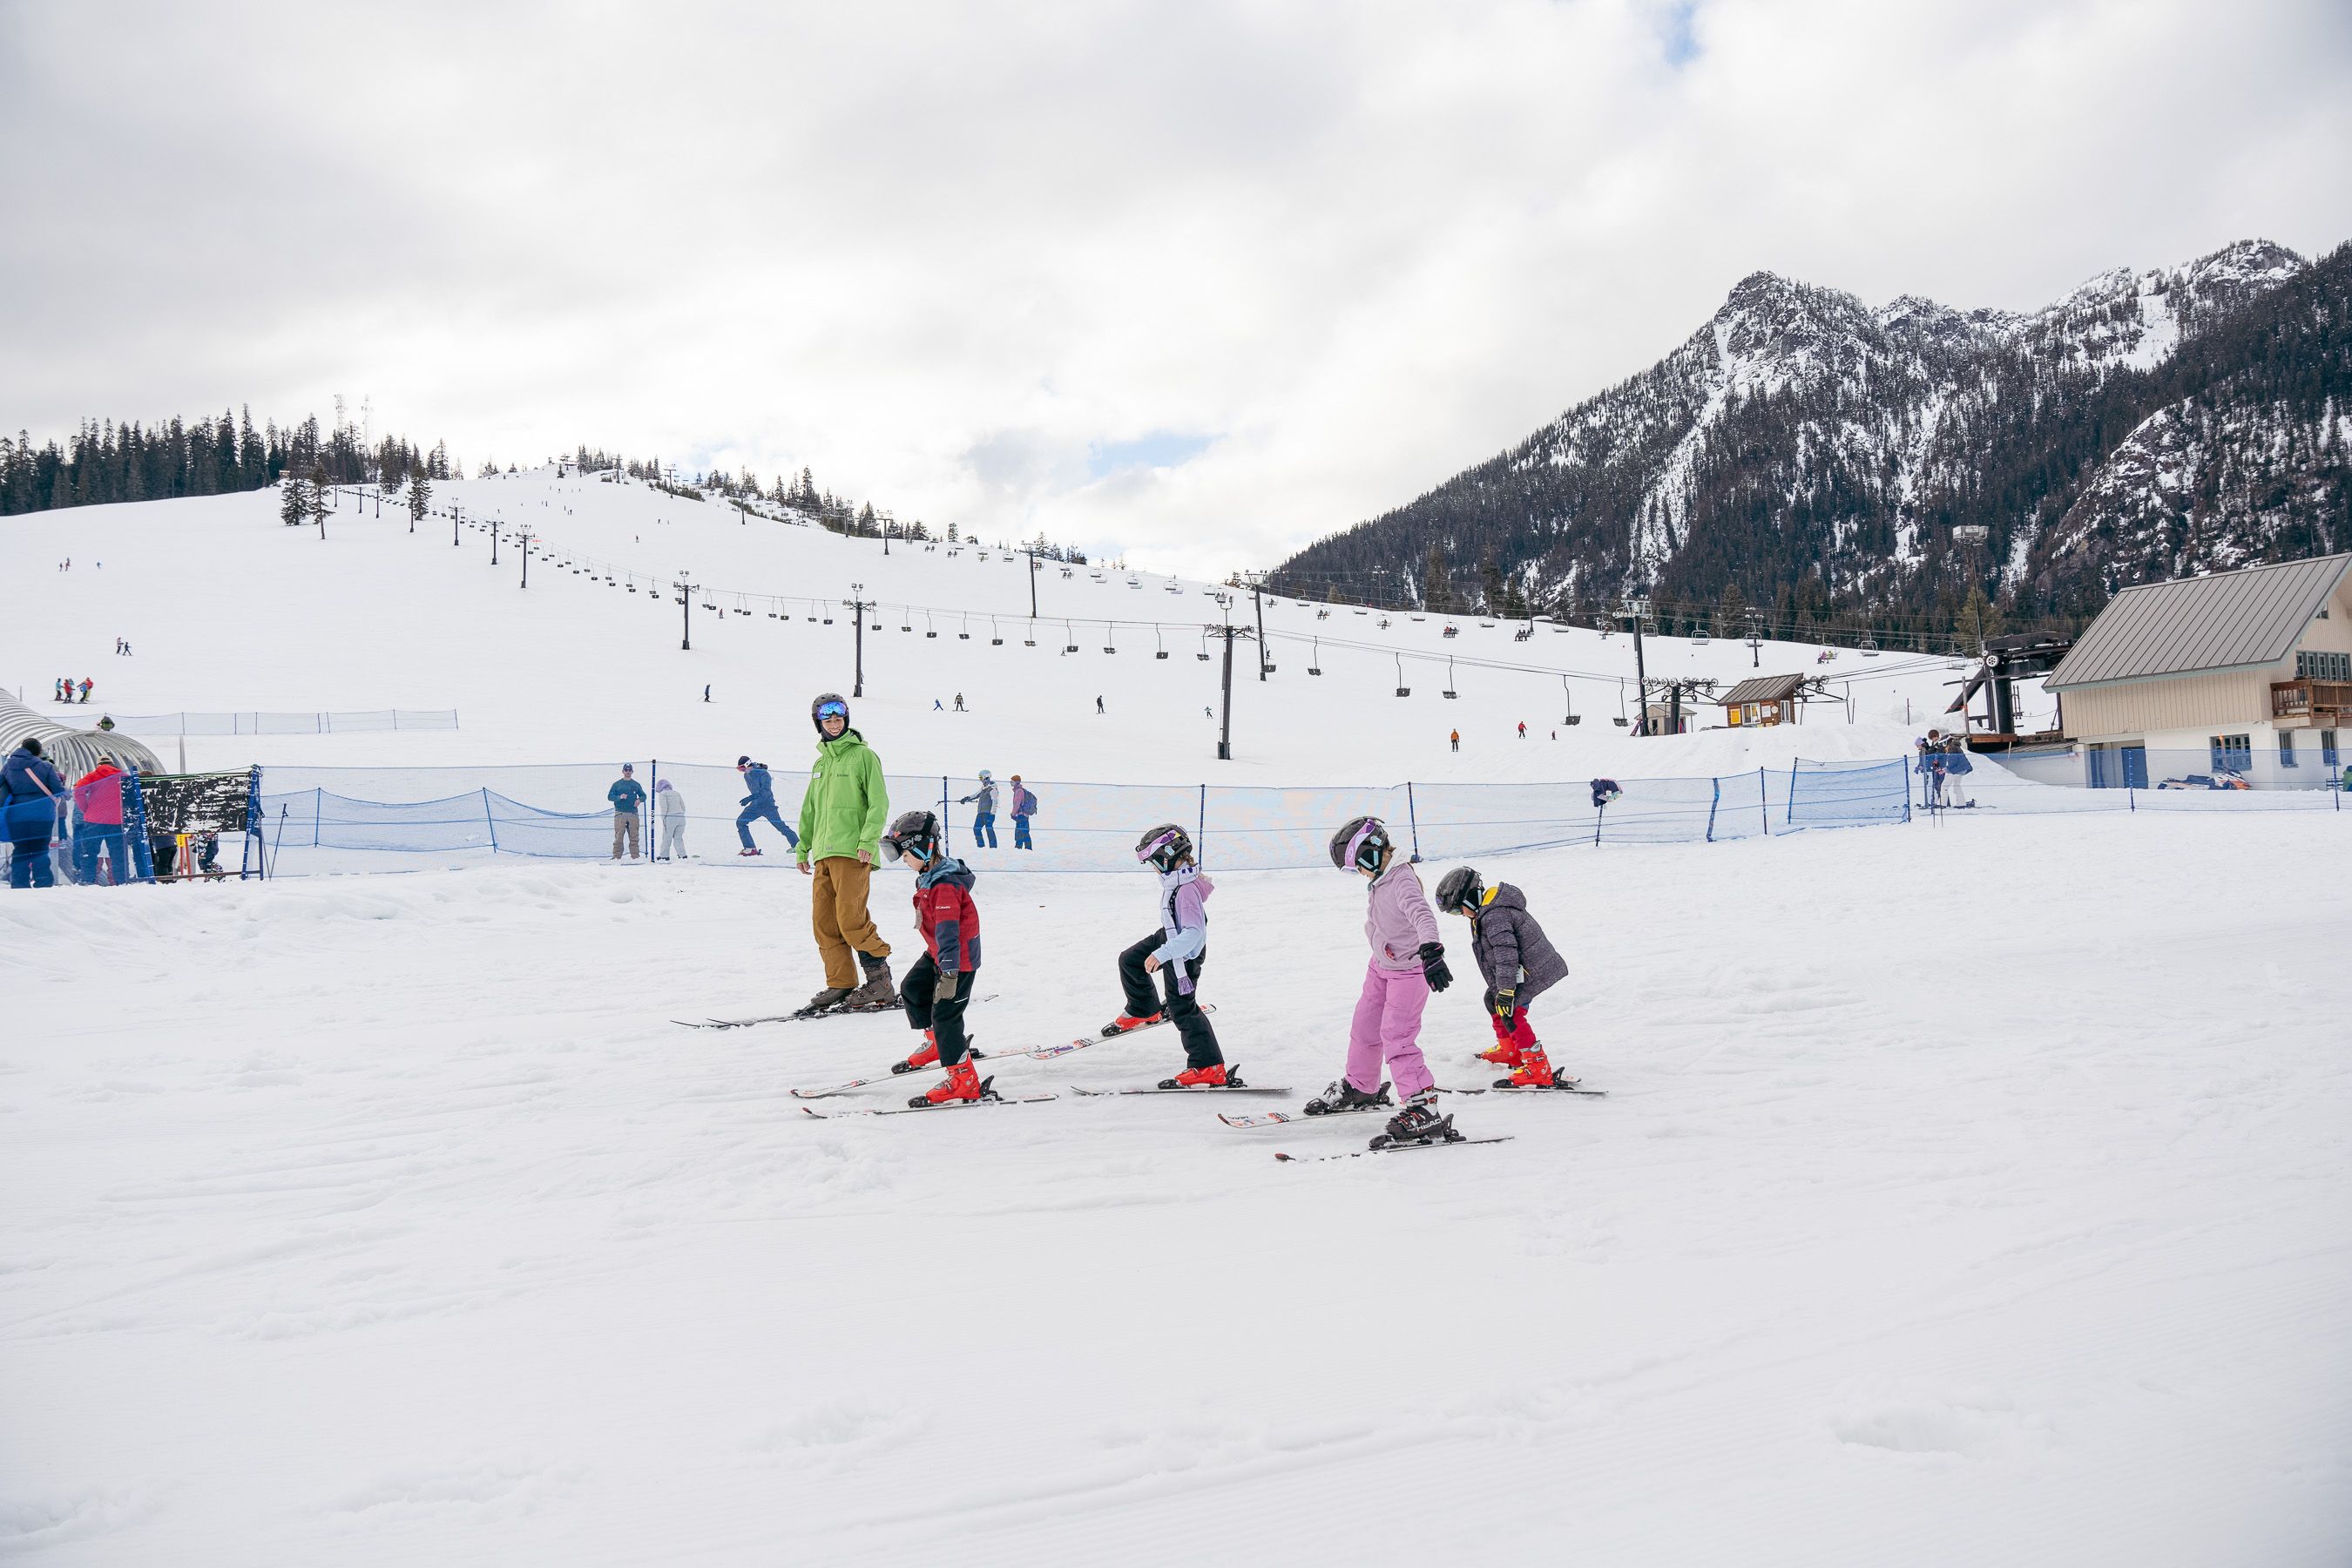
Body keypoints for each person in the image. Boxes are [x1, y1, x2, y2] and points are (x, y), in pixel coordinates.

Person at [1303, 816, 1457, 1146]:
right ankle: (1361, 1086)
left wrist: (1431, 950)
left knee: (1396, 1036)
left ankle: (1422, 1106)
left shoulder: (1401, 879)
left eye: (1358, 864)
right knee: (1364, 1027)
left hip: (1409, 972)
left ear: (1373, 852)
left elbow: (1422, 916)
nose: (1359, 872)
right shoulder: (1381, 878)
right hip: (1380, 967)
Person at [1105, 824, 1229, 1087]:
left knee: (1182, 1008)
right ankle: (1144, 1010)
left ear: (1168, 856)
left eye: (1154, 862)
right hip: (1171, 938)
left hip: (1184, 955)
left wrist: (1163, 954)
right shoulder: (1179, 880)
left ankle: (1209, 1066)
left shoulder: (1185, 890)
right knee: (1130, 960)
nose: (1153, 868)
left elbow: (1194, 933)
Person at [877, 809, 986, 1106]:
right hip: (939, 952)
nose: (903, 860)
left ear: (923, 847)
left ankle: (964, 1079)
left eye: (905, 854)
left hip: (956, 959)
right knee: (913, 988)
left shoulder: (944, 886)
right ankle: (937, 1044)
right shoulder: (929, 875)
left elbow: (950, 932)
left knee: (946, 1016)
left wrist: (949, 974)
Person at [796, 693, 896, 1011]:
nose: (835, 725)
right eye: (828, 721)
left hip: (853, 851)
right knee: (824, 922)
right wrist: (803, 846)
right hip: (824, 854)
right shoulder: (821, 763)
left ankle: (880, 981)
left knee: (850, 919)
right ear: (819, 724)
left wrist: (868, 841)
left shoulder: (864, 756)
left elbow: (878, 802)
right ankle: (840, 984)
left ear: (846, 720)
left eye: (839, 719)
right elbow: (810, 809)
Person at [1436, 866, 1570, 1087]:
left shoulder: (1494, 916)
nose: (1459, 915)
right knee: (1492, 1000)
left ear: (1469, 899)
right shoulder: (1488, 911)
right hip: (1520, 970)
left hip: (1530, 971)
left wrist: (1507, 991)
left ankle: (1538, 1067)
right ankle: (1511, 1051)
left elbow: (1507, 955)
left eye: (1457, 910)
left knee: (1511, 1012)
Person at [3, 736, 66, 889]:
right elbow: (58, 791)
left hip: (16, 814)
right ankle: (43, 882)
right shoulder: (45, 767)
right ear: (37, 751)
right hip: (42, 814)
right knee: (40, 848)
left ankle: (19, 883)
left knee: (20, 848)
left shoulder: (7, 767)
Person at [71, 754, 132, 885]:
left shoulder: (92, 775)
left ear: (98, 765)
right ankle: (122, 881)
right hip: (116, 820)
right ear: (112, 764)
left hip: (94, 819)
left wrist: (85, 807)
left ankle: (88, 880)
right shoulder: (123, 776)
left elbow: (78, 790)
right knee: (118, 853)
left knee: (89, 852)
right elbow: (132, 792)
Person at [734, 756, 798, 855]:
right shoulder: (746, 775)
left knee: (780, 826)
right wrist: (752, 799)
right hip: (755, 806)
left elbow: (765, 791)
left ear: (748, 765)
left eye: (742, 768)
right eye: (739, 769)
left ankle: (797, 845)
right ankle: (750, 848)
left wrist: (750, 798)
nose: (742, 771)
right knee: (741, 822)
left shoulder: (763, 774)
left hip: (767, 805)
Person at [607, 763, 645, 859]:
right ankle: (616, 857)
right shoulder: (616, 784)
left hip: (633, 814)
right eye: (626, 770)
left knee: (634, 836)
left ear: (632, 771)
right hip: (620, 813)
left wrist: (639, 800)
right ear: (623, 771)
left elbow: (644, 796)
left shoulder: (636, 784)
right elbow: (610, 797)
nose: (628, 772)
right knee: (619, 836)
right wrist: (619, 797)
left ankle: (635, 857)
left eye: (629, 770)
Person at [959, 770, 999, 848]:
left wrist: (992, 814)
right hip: (981, 813)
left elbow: (995, 802)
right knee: (976, 829)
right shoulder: (983, 788)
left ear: (987, 778)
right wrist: (966, 798)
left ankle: (993, 847)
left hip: (988, 814)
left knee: (989, 830)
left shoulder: (993, 790)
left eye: (981, 778)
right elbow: (976, 795)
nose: (980, 780)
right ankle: (981, 847)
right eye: (979, 778)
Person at [656, 779, 689, 860]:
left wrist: (663, 818)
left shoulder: (663, 794)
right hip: (681, 817)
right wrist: (680, 813)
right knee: (678, 838)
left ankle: (664, 856)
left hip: (670, 818)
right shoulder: (676, 793)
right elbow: (683, 807)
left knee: (667, 837)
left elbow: (664, 807)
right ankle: (682, 855)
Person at [1008, 774, 1037, 850]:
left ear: (1016, 782)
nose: (1010, 783)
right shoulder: (1021, 790)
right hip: (1025, 815)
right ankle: (1028, 848)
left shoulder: (1019, 791)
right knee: (1025, 832)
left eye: (1012, 781)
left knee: (1019, 832)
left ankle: (1018, 848)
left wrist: (1013, 813)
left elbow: (1017, 804)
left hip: (1021, 815)